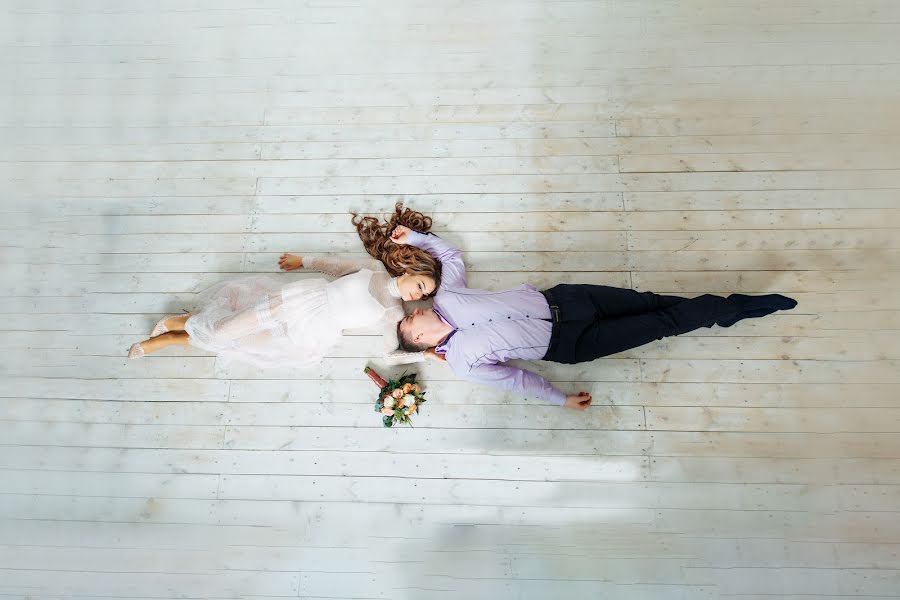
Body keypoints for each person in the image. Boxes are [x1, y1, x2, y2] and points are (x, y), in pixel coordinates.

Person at [393, 227, 797, 410]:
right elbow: (518, 381)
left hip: (567, 301)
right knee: (663, 324)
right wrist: (559, 398)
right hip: (572, 344)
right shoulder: (463, 361)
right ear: (422, 341)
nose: (419, 310)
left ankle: (719, 311)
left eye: (413, 310)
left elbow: (450, 257)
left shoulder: (449, 295)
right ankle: (728, 308)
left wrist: (413, 238)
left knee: (650, 301)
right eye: (413, 320)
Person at [126, 205, 441, 369]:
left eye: (423, 296)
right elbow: (333, 266)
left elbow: (389, 355)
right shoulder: (373, 269)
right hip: (300, 302)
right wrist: (301, 260)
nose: (418, 294)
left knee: (239, 344)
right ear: (412, 271)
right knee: (224, 331)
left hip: (312, 332)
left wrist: (426, 356)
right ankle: (173, 325)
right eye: (421, 285)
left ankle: (168, 338)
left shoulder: (393, 313)